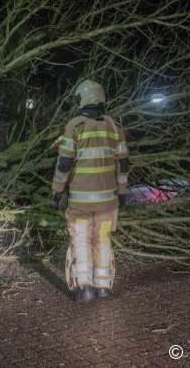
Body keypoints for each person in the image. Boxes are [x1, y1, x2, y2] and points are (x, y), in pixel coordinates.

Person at [52, 80, 129, 303]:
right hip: (108, 203)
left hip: (80, 204)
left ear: (83, 99)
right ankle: (103, 287)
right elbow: (123, 165)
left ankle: (84, 288)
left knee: (81, 239)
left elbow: (65, 164)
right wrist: (122, 192)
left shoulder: (74, 126)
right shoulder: (115, 128)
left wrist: (58, 189)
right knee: (102, 238)